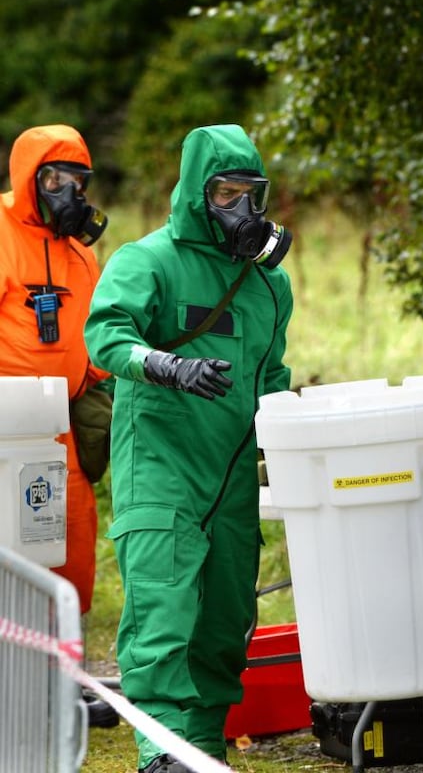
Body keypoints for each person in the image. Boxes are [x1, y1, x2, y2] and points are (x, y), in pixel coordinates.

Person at [84, 124, 294, 773]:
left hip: (230, 485)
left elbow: (274, 378)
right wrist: (165, 367)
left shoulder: (268, 287)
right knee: (163, 625)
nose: (241, 210)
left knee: (222, 636)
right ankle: (159, 756)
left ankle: (196, 757)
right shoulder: (146, 261)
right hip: (162, 472)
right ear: (197, 193)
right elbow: (103, 336)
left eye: (251, 195)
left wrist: (292, 443)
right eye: (226, 193)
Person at [0, 124, 117, 727]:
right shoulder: (0, 234)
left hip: (60, 423)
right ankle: (14, 689)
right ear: (28, 179)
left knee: (70, 546)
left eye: (77, 179)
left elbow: (92, 339)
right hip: (5, 428)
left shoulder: (80, 251)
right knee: (11, 555)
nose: (67, 190)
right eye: (53, 178)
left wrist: (106, 386)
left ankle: (61, 684)